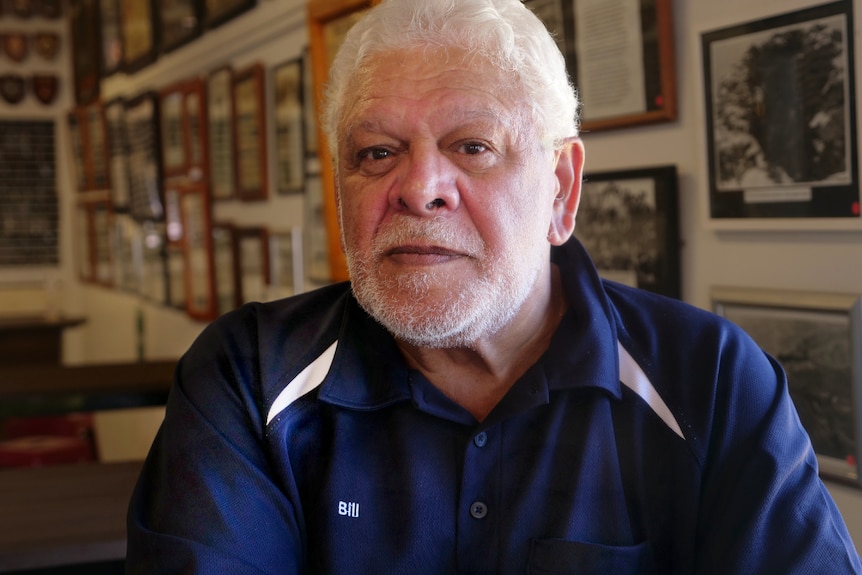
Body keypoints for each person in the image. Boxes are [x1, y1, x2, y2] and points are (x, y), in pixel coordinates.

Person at [126, 0, 862, 572]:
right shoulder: (249, 379)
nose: (419, 189)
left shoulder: (712, 380)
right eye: (376, 152)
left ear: (562, 190)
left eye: (472, 147)